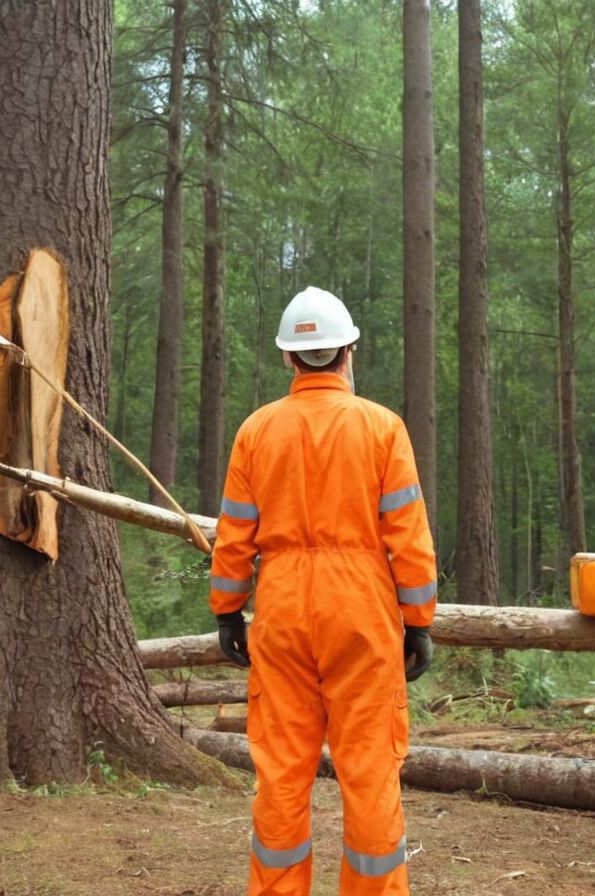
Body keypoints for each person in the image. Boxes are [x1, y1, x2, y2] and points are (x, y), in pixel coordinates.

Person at [208, 286, 438, 896]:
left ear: (290, 358)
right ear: (349, 352)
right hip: (362, 613)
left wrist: (229, 612)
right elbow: (409, 539)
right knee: (369, 772)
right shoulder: (382, 428)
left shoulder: (256, 432)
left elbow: (234, 535)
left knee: (282, 772)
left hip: (281, 612)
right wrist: (418, 620)